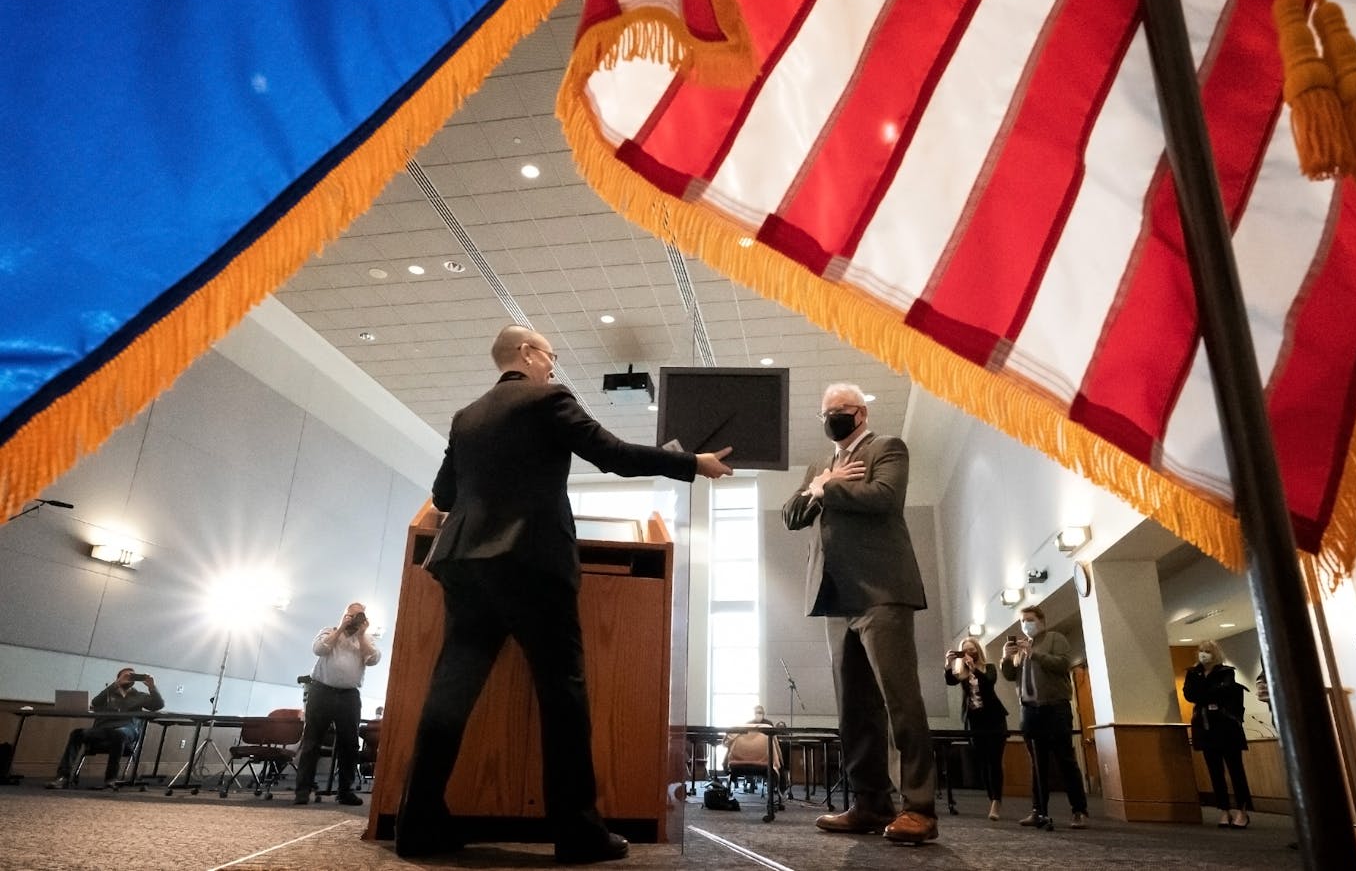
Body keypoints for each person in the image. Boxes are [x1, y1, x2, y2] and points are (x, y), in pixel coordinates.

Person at [397, 323, 733, 862]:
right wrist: (691, 463)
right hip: (532, 564)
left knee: (449, 695)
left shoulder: (467, 416)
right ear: (528, 353)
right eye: (550, 356)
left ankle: (417, 825)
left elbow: (444, 494)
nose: (554, 366)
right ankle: (577, 833)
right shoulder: (548, 398)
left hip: (464, 567)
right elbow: (613, 454)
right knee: (563, 696)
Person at [781, 382, 937, 844]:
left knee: (900, 700)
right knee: (854, 709)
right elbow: (791, 515)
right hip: (834, 597)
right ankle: (870, 803)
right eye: (825, 412)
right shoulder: (819, 466)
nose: (832, 418)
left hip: (882, 591)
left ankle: (920, 808)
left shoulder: (887, 448)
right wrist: (819, 487)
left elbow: (885, 498)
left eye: (840, 411)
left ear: (861, 413)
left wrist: (828, 491)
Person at [1002, 604, 1089, 829]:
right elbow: (1011, 675)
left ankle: (1078, 810)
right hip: (1029, 710)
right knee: (1037, 763)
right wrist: (1005, 658)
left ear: (1041, 620)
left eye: (1029, 619)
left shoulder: (1054, 638)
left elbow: (1063, 664)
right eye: (1022, 621)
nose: (1026, 624)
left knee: (1065, 760)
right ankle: (1038, 810)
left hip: (1055, 708)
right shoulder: (1022, 647)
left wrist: (1036, 655)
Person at [292, 601, 381, 806]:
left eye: (359, 616)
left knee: (349, 744)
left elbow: (373, 659)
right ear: (344, 615)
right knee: (312, 741)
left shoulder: (365, 640)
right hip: (321, 691)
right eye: (351, 615)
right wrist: (341, 628)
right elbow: (319, 649)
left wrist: (361, 635)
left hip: (349, 696)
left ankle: (345, 791)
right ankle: (302, 791)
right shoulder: (329, 631)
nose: (354, 619)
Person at [46, 667, 163, 788]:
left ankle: (111, 779)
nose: (129, 678)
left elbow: (158, 705)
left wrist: (152, 687)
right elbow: (95, 702)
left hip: (126, 729)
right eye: (125, 676)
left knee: (119, 734)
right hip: (104, 729)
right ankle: (63, 777)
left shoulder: (140, 696)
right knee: (77, 733)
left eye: (132, 676)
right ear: (118, 679)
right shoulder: (108, 693)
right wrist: (116, 684)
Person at [1183, 640, 1252, 828]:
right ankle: (1224, 810)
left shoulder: (1226, 672)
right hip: (1205, 728)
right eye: (1201, 651)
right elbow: (1190, 695)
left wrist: (1204, 693)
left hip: (1226, 727)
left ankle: (1242, 811)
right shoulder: (1193, 673)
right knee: (1215, 772)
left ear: (1215, 654)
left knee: (1235, 770)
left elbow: (1222, 693)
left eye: (1207, 651)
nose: (1203, 654)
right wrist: (1207, 690)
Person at [945, 636, 1009, 820]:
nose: (968, 653)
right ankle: (992, 798)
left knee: (995, 761)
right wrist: (948, 664)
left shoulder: (988, 667)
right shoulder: (961, 671)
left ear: (977, 651)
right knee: (983, 762)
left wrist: (974, 669)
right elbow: (950, 681)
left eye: (971, 649)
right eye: (964, 650)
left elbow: (989, 683)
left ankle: (996, 801)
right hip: (974, 721)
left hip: (994, 720)